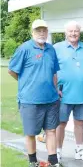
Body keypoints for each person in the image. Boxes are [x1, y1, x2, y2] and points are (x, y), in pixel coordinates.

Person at [8, 19, 61, 167]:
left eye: (44, 30)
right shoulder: (24, 49)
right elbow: (12, 70)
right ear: (32, 32)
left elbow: (54, 72)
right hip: (30, 100)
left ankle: (53, 161)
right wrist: (26, 82)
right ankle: (33, 161)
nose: (42, 33)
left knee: (51, 130)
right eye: (38, 30)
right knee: (31, 133)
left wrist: (56, 91)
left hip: (51, 99)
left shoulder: (51, 49)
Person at [54, 21, 83, 162]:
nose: (73, 33)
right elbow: (50, 70)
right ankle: (57, 152)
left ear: (79, 32)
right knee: (60, 124)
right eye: (70, 31)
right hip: (62, 94)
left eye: (76, 31)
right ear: (65, 33)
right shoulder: (56, 48)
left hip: (82, 93)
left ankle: (79, 151)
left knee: (80, 123)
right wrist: (54, 89)